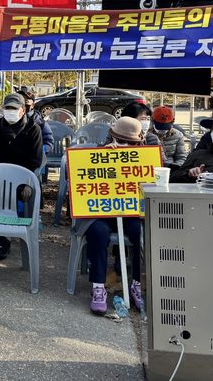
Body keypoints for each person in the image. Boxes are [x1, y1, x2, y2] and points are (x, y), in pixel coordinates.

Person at [79, 116, 145, 314]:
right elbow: (78, 179)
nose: (123, 145)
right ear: (111, 137)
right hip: (99, 213)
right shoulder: (98, 153)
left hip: (131, 213)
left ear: (137, 142)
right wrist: (102, 158)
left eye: (129, 142)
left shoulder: (146, 156)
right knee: (98, 233)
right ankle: (98, 286)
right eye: (119, 140)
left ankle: (135, 283)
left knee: (141, 234)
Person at [0, 93, 43, 261]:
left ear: (23, 111)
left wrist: (17, 175)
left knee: (11, 191)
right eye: (7, 108)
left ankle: (4, 238)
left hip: (23, 177)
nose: (10, 112)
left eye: (14, 109)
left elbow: (35, 160)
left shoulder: (33, 129)